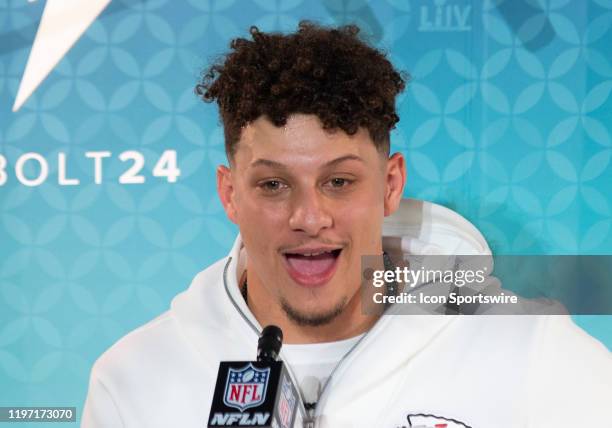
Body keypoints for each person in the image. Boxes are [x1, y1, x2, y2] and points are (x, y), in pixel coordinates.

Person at [82, 22, 612, 428]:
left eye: (339, 181)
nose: (309, 218)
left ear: (390, 185)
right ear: (229, 194)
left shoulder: (534, 352)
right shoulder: (134, 380)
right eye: (273, 185)